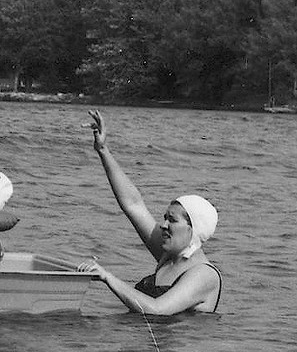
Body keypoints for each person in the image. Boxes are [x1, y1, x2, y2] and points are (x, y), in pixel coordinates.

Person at [77, 110, 223, 314]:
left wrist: (107, 277)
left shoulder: (204, 275)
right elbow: (133, 204)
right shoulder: (169, 253)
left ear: (193, 229)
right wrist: (103, 150)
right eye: (164, 218)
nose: (163, 225)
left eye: (172, 220)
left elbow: (157, 309)